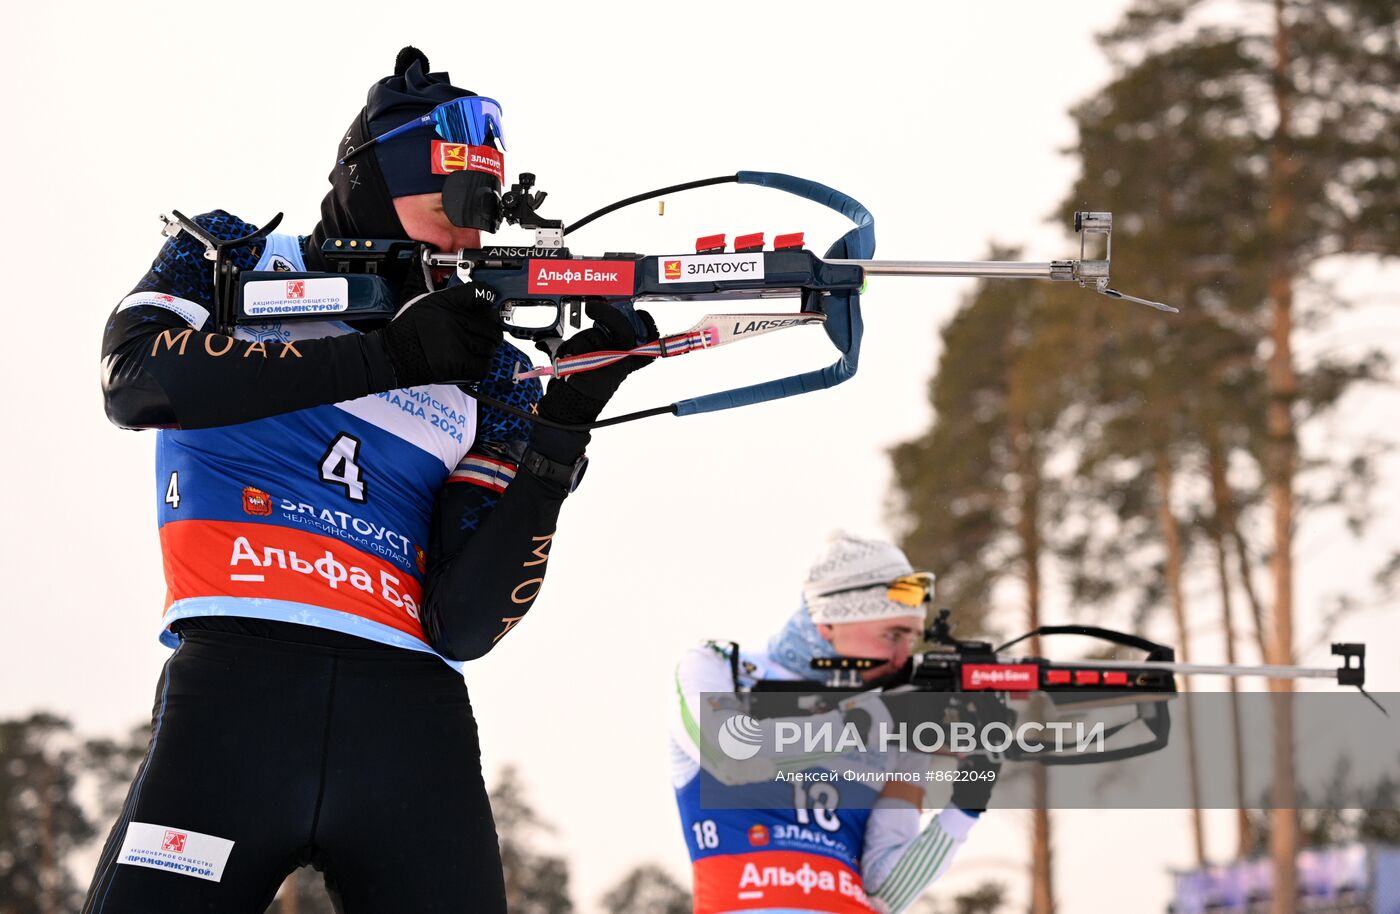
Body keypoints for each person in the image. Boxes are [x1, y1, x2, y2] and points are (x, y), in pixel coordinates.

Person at [86, 47, 655, 913]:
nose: (469, 238)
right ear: (376, 182)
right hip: (238, 691)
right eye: (453, 205)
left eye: (487, 214)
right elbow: (135, 382)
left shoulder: (488, 370)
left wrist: (560, 430)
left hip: (409, 723)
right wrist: (385, 355)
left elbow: (463, 622)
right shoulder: (232, 257)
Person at [669, 533, 999, 914]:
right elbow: (729, 755)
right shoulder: (718, 668)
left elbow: (883, 890)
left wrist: (968, 801)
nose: (902, 657)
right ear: (828, 623)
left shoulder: (894, 727)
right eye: (892, 635)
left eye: (911, 638)